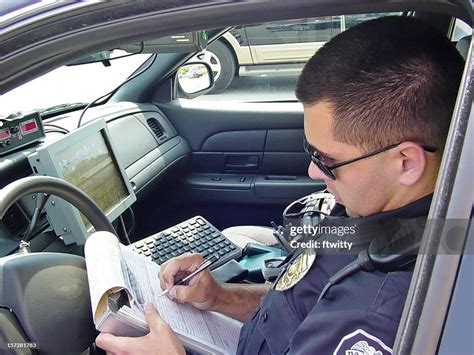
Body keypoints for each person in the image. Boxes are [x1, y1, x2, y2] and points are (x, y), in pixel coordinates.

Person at [96, 16, 464, 354]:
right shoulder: (371, 214)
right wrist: (218, 297)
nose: (312, 171)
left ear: (406, 163)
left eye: (328, 160)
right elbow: (298, 300)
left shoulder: (380, 314)